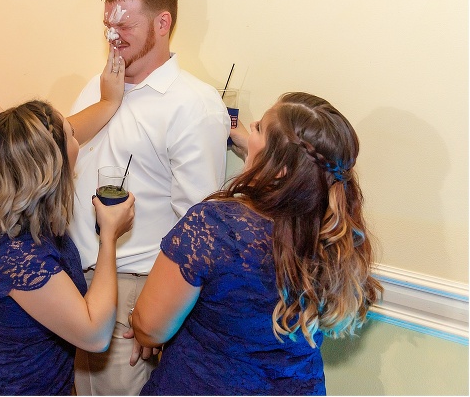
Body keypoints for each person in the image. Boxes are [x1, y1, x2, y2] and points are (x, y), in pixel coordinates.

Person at [131, 92, 384, 395]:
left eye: (261, 128)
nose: (251, 125)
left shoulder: (215, 226)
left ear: (279, 167)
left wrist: (139, 324)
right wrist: (256, 155)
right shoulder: (335, 232)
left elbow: (149, 326)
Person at [69, 0, 231, 395]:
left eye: (124, 25)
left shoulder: (194, 105)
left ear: (163, 24)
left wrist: (160, 316)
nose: (112, 36)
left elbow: (198, 223)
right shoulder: (97, 85)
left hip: (132, 293)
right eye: (108, 25)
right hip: (72, 284)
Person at [0, 96, 135, 395]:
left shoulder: (24, 219)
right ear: (50, 164)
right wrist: (109, 237)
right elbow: (95, 335)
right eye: (70, 134)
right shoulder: (18, 254)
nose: (76, 139)